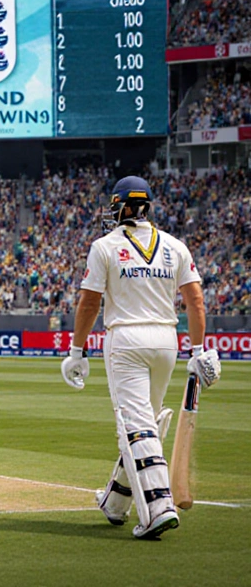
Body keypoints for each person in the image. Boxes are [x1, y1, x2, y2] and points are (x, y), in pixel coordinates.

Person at [61, 176, 219, 539]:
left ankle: (159, 507)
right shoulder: (175, 246)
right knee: (144, 423)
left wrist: (76, 350)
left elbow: (89, 302)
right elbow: (195, 300)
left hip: (126, 339)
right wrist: (198, 350)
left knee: (135, 427)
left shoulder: (104, 246)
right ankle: (115, 502)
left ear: (121, 207)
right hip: (166, 341)